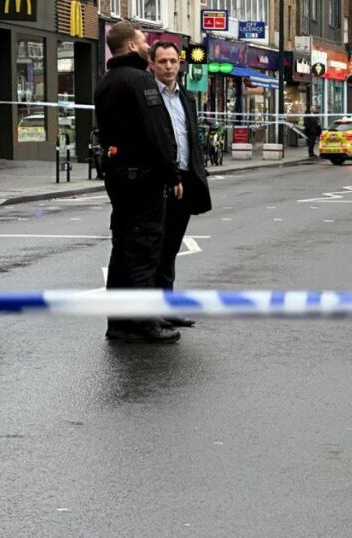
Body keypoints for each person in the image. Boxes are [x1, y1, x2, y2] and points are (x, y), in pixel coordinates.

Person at [94, 21, 182, 343]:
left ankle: (118, 322)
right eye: (143, 41)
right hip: (143, 180)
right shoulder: (140, 80)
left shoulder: (106, 82)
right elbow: (156, 132)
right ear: (131, 46)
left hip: (118, 177)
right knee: (144, 251)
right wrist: (171, 173)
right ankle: (144, 323)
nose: (147, 45)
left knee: (122, 250)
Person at [150, 41, 212, 331]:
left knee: (171, 249)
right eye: (162, 61)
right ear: (152, 64)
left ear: (180, 63)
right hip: (162, 182)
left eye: (173, 61)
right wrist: (168, 175)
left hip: (185, 180)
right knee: (157, 249)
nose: (168, 66)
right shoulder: (150, 96)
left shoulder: (185, 96)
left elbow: (190, 137)